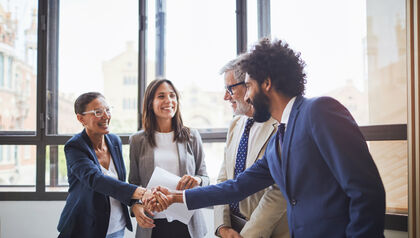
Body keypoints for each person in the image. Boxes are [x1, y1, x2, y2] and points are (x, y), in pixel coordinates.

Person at [153, 38, 386, 238]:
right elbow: (236, 187)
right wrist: (176, 197)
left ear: (266, 83)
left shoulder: (319, 111)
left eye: (249, 86)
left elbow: (366, 192)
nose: (248, 96)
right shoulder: (278, 142)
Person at [57, 92, 150, 238]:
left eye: (107, 110)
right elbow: (95, 180)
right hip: (85, 228)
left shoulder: (114, 141)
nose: (106, 116)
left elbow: (118, 182)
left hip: (116, 226)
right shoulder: (75, 147)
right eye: (98, 112)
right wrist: (141, 192)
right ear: (81, 118)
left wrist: (135, 203)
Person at [214, 56, 289, 238]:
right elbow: (224, 179)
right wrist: (222, 226)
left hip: (266, 232)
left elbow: (278, 193)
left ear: (249, 85)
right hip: (232, 226)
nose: (226, 96)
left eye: (230, 89)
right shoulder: (235, 124)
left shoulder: (279, 126)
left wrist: (248, 235)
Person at [129, 79, 209, 238]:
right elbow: (133, 183)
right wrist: (135, 206)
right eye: (161, 96)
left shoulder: (191, 136)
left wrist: (197, 180)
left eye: (172, 96)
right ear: (150, 102)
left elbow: (205, 177)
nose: (169, 101)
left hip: (188, 222)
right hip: (152, 223)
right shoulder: (137, 140)